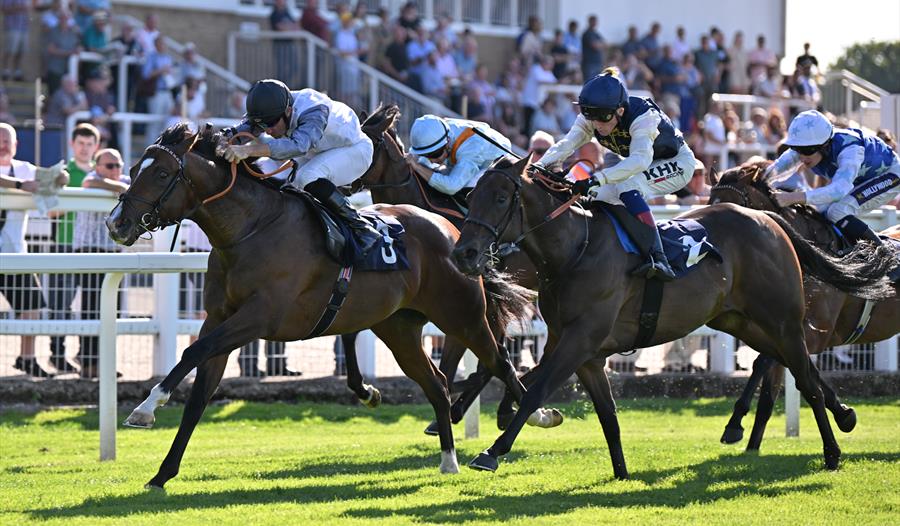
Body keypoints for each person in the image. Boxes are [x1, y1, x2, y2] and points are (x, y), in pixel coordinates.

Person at [537, 68, 697, 281]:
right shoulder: (593, 118)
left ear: (620, 110)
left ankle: (660, 259)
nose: (596, 124)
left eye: (603, 117)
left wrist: (597, 178)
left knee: (627, 187)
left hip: (677, 162)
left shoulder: (643, 117)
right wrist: (537, 166)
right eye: (589, 114)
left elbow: (640, 160)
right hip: (641, 164)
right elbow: (566, 145)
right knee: (594, 196)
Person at [222, 79, 380, 253]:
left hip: (355, 150)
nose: (267, 131)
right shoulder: (277, 107)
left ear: (288, 111)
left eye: (271, 124)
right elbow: (246, 127)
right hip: (322, 151)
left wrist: (248, 150)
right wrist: (223, 137)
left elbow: (298, 146)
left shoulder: (313, 110)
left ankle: (361, 228)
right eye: (262, 125)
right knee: (287, 184)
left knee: (306, 177)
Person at [765, 110, 900, 254]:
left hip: (890, 175)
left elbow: (839, 190)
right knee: (821, 211)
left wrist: (792, 198)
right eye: (797, 149)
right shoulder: (809, 147)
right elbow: (773, 171)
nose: (802, 156)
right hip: (859, 179)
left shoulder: (851, 149)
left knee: (838, 211)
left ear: (824, 145)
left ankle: (886, 256)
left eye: (807, 150)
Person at [0, 123, 67, 377]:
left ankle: (27, 358)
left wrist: (61, 178)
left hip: (15, 253)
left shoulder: (25, 168)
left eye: (8, 140)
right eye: (0, 139)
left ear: (16, 144)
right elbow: (17, 184)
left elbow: (51, 177)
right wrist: (20, 185)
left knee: (33, 305)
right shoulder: (21, 176)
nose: (4, 144)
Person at [47, 123, 100, 373]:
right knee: (61, 304)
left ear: (96, 146)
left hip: (92, 247)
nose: (85, 148)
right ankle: (57, 354)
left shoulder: (101, 173)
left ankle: (87, 357)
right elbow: (50, 211)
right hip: (64, 245)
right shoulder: (60, 172)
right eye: (81, 143)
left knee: (92, 305)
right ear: (72, 144)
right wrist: (74, 198)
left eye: (89, 144)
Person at [73, 148, 129, 378]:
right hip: (88, 251)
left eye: (118, 166)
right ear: (97, 166)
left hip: (111, 251)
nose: (115, 171)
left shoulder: (124, 181)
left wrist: (122, 188)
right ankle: (88, 364)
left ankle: (103, 362)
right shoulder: (93, 178)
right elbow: (88, 183)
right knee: (90, 309)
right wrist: (121, 189)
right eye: (109, 166)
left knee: (109, 310)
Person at [405, 114, 511, 197]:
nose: (432, 160)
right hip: (469, 154)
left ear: (448, 142)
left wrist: (418, 167)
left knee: (467, 188)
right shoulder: (438, 130)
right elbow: (413, 157)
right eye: (425, 155)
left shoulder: (471, 148)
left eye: (435, 154)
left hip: (496, 166)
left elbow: (451, 187)